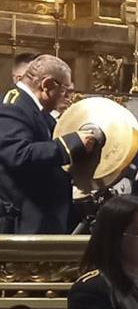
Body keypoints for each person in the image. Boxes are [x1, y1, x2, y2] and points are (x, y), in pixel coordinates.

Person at [0, 54, 99, 234]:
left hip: (42, 217)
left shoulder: (36, 108)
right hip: (23, 221)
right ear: (47, 85)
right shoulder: (12, 106)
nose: (68, 97)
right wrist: (72, 143)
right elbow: (18, 154)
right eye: (65, 90)